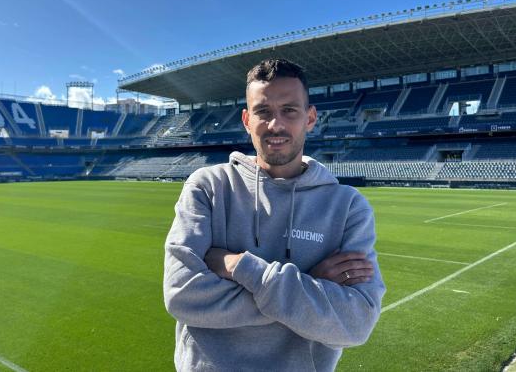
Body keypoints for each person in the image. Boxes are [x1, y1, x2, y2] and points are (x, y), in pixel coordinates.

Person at [163, 58, 385, 371]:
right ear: (246, 119)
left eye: (289, 110)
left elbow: (356, 323)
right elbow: (182, 296)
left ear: (309, 118)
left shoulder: (348, 206)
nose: (275, 125)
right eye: (263, 112)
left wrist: (239, 266)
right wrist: (308, 285)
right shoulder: (209, 186)